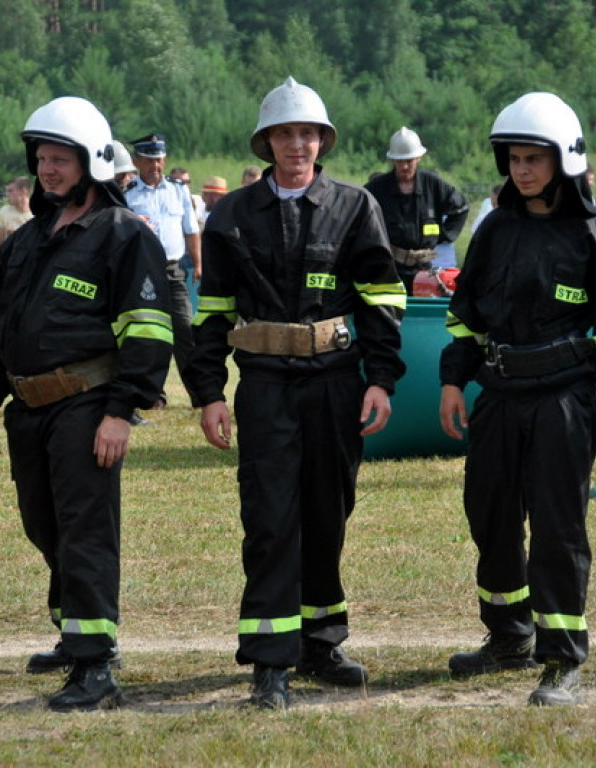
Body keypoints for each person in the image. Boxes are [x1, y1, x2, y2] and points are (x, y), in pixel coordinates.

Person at [182, 77, 407, 710]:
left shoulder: (355, 207)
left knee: (327, 513)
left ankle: (321, 642)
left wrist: (381, 380)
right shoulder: (232, 214)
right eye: (285, 134)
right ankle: (269, 661)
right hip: (265, 388)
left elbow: (382, 299)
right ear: (267, 142)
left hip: (335, 384)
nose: (297, 145)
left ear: (322, 141)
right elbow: (212, 310)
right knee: (270, 520)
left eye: (308, 133)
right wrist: (209, 392)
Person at [439, 92, 596, 707]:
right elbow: (466, 315)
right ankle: (509, 636)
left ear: (565, 159)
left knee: (558, 529)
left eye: (534, 158)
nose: (522, 170)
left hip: (564, 399)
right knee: (490, 516)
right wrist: (453, 381)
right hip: (499, 395)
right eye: (514, 159)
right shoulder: (495, 228)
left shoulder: (595, 232)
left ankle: (561, 659)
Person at [0, 96, 173, 712]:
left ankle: (96, 664)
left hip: (87, 406)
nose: (48, 169)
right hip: (28, 409)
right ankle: (72, 632)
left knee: (85, 531)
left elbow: (149, 331)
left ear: (92, 162)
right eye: (41, 159)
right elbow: (4, 329)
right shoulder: (25, 241)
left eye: (61, 158)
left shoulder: (123, 235)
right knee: (44, 524)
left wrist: (121, 411)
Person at [125, 134, 201, 405]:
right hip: (143, 272)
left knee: (185, 329)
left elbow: (191, 230)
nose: (155, 166)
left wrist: (198, 263)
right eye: (148, 160)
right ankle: (154, 395)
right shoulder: (127, 194)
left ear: (165, 160)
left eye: (158, 160)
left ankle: (199, 394)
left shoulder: (179, 190)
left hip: (173, 270)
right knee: (150, 335)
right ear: (136, 161)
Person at [364, 127, 470, 292]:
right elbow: (358, 215)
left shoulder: (433, 184)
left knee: (424, 307)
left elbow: (461, 207)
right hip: (388, 268)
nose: (405, 166)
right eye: (400, 162)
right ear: (392, 160)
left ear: (419, 158)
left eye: (409, 161)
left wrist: (443, 237)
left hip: (424, 269)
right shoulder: (377, 188)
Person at [0, 176, 33, 257]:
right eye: (6, 191)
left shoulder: (36, 215)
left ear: (23, 191)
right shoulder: (5, 211)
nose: (7, 194)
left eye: (10, 191)